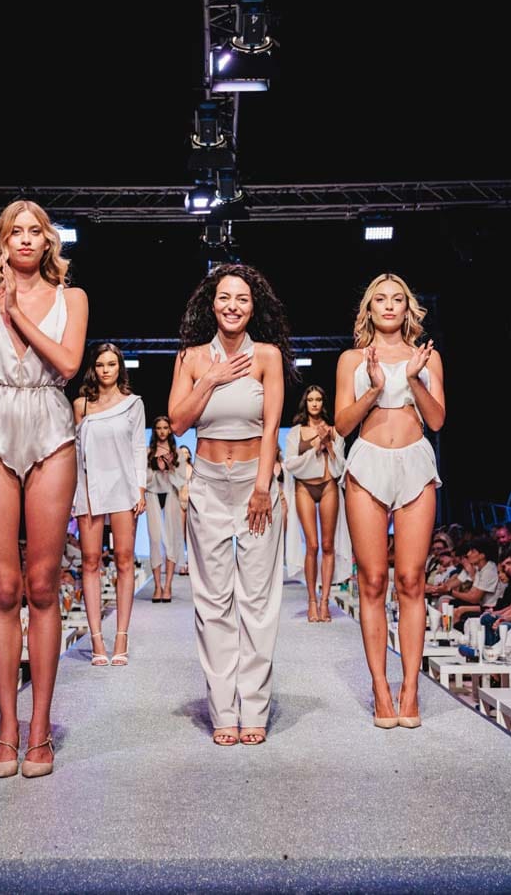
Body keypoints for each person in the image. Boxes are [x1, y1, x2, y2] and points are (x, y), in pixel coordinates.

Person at [0, 199, 88, 777]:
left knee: (42, 584)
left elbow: (68, 364)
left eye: (37, 231)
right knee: (4, 588)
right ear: (2, 242)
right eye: (17, 232)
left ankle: (40, 729)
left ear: (48, 241)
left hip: (50, 427)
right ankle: (7, 728)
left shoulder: (72, 299)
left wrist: (15, 311)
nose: (27, 239)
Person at [168, 262, 298, 746]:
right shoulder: (191, 358)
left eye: (242, 298)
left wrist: (263, 486)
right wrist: (211, 378)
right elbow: (178, 422)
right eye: (225, 297)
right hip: (207, 485)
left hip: (254, 485)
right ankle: (224, 710)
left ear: (253, 305)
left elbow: (271, 426)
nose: (233, 306)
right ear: (211, 303)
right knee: (212, 602)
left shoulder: (267, 355)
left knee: (258, 603)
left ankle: (255, 709)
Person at [334, 272, 445, 729]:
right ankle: (380, 687)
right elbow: (342, 425)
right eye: (380, 299)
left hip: (415, 463)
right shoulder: (352, 359)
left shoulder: (427, 358)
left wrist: (414, 378)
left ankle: (410, 687)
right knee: (373, 581)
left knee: (412, 580)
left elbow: (436, 420)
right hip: (368, 464)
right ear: (369, 308)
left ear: (407, 308)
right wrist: (375, 388)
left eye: (397, 299)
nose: (389, 305)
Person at [73, 342, 146, 666]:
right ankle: (96, 640)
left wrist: (140, 489)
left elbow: (138, 447)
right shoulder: (81, 406)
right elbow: (75, 454)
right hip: (89, 486)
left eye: (111, 364)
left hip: (123, 485)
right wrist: (75, 494)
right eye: (100, 364)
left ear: (120, 368)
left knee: (124, 560)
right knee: (90, 561)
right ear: (94, 368)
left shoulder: (133, 404)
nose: (106, 370)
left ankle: (121, 637)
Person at [284, 384, 352, 622]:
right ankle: (311, 600)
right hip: (304, 486)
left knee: (328, 544)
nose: (314, 403)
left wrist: (328, 444)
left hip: (328, 485)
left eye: (318, 399)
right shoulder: (296, 432)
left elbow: (341, 466)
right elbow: (290, 463)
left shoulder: (334, 431)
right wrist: (315, 447)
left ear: (323, 403)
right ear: (306, 403)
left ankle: (325, 601)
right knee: (312, 545)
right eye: (311, 399)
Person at [144, 416, 187, 603]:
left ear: (170, 430)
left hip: (171, 495)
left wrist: (170, 469)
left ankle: (168, 585)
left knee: (171, 539)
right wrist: (156, 468)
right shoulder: (148, 453)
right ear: (154, 430)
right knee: (155, 540)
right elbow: (143, 478)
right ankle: (157, 586)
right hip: (152, 494)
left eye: (165, 427)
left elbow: (182, 479)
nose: (162, 431)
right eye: (159, 428)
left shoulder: (177, 453)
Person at [177, 444, 194, 575]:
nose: (184, 454)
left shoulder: (193, 469)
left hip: (190, 502)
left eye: (186, 452)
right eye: (182, 452)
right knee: (180, 534)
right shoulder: (176, 469)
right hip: (178, 502)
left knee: (189, 535)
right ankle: (181, 564)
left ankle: (190, 564)